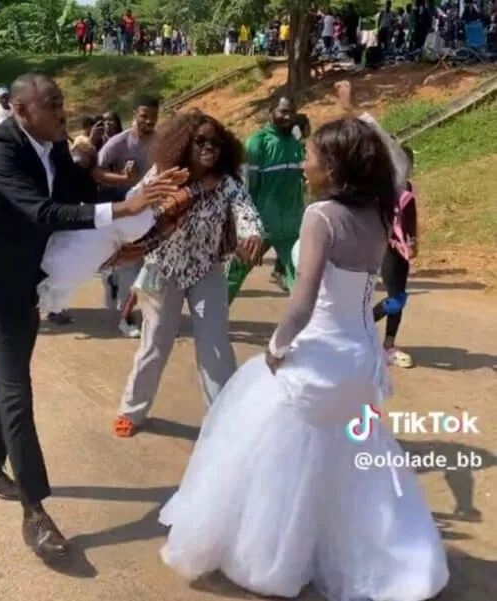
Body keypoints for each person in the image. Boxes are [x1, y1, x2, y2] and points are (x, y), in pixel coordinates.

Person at [158, 116, 447, 601]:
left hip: (317, 358)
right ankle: (372, 556)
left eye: (311, 155)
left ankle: (274, 559)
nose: (303, 163)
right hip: (360, 360)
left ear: (333, 168)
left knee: (279, 461)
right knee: (350, 463)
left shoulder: (321, 217)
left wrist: (275, 348)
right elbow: (392, 161)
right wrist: (361, 119)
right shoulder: (379, 210)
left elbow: (303, 301)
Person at [0, 73, 184, 559]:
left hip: (29, 280)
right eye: (50, 104)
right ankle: (35, 511)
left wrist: (144, 192)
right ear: (20, 110)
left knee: (6, 379)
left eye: (60, 103)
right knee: (16, 388)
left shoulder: (50, 145)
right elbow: (44, 212)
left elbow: (84, 189)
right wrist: (122, 210)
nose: (61, 111)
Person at [113, 111, 264, 439]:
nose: (209, 148)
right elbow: (132, 203)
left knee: (215, 345)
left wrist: (251, 234)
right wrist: (162, 198)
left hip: (205, 269)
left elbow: (246, 211)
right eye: (201, 141)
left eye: (216, 143)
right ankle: (131, 409)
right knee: (154, 343)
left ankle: (225, 416)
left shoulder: (226, 182)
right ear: (183, 144)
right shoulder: (162, 174)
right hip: (161, 269)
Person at [227, 97, 305, 302]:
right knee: (235, 273)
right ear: (271, 111)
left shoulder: (297, 142)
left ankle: (305, 329)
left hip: (291, 227)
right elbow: (246, 187)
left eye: (292, 112)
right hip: (261, 225)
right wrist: (246, 227)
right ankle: (211, 319)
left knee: (300, 279)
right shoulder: (257, 142)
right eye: (283, 111)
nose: (288, 117)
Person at [95, 96, 159, 337]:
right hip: (124, 214)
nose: (148, 122)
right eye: (144, 116)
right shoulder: (118, 143)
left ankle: (151, 316)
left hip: (153, 215)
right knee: (130, 268)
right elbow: (96, 172)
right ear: (135, 114)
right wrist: (123, 179)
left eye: (153, 118)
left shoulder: (160, 143)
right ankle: (126, 318)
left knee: (152, 267)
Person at [373, 144, 417, 369]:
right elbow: (376, 219)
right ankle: (362, 327)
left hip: (403, 252)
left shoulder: (408, 189)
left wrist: (413, 242)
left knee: (400, 297)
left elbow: (410, 220)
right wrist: (390, 239)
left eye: (408, 163)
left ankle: (389, 345)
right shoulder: (384, 190)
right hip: (387, 250)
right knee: (395, 299)